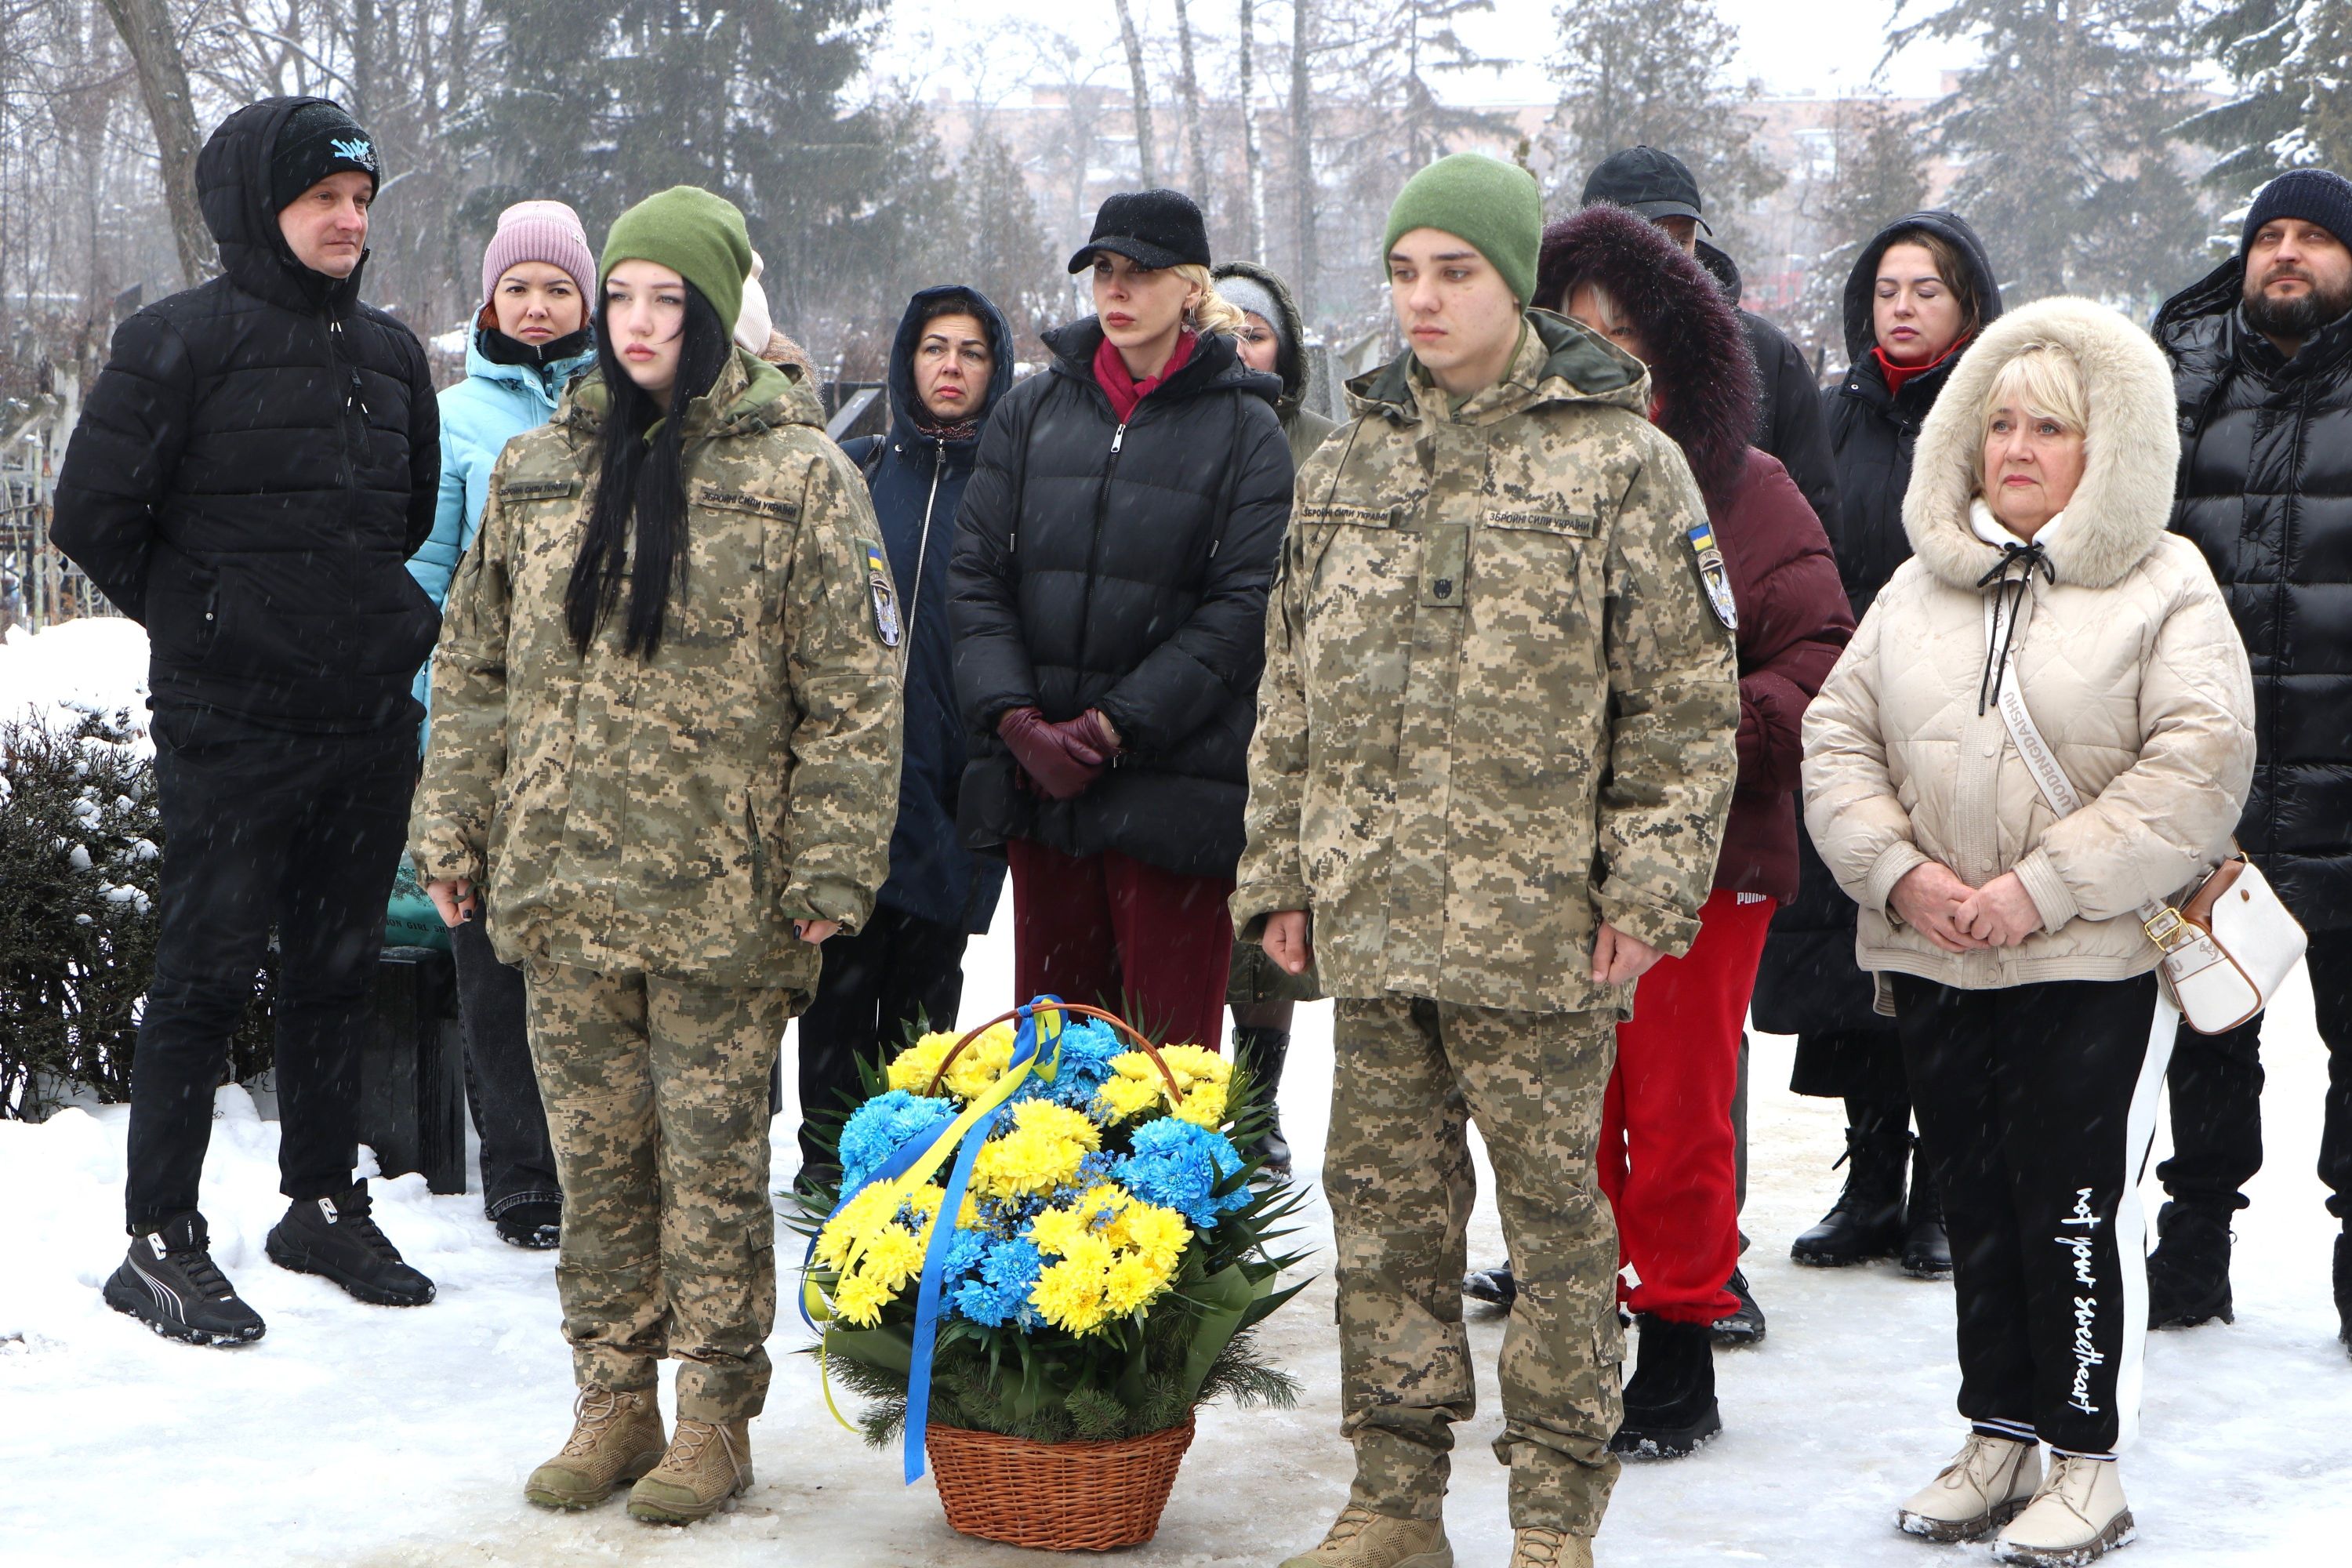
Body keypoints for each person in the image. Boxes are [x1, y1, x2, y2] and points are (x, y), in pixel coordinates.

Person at [1243, 152, 1739, 1568]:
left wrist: (1648, 892)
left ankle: (1554, 1516)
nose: (1424, 299)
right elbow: (1290, 691)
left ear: (1515, 282)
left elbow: (1685, 707)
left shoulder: (1623, 463)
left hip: (1542, 932)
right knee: (1386, 1220)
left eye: (1455, 272)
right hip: (1377, 916)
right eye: (1405, 272)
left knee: (1559, 1233)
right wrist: (1280, 873)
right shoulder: (1346, 466)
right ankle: (1395, 1500)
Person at [410, 187, 902, 1523]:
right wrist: (452, 825)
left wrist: (829, 864)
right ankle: (613, 1400)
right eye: (619, 296)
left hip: (719, 896)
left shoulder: (799, 477)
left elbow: (854, 693)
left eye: (665, 301)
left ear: (717, 312)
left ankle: (715, 1417)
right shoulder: (538, 468)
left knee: (712, 1168)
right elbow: (477, 666)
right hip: (564, 883)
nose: (634, 324)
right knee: (598, 1168)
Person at [1803, 297, 2256, 1565]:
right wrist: (1901, 874)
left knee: (2072, 1210)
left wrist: (2039, 888)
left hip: (2090, 958)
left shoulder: (2167, 583)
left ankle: (2088, 1460)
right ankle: (1999, 1434)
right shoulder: (1918, 587)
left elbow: (2198, 766)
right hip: (1938, 953)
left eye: (2049, 428)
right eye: (1999, 422)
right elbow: (1837, 738)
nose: (2016, 448)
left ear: (2105, 448)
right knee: (1977, 1201)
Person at [1450, 205, 1851, 1453]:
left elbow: (1820, 652)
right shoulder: (1505, 476)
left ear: (1676, 344)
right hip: (1544, 859)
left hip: (1706, 855)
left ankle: (1679, 1346)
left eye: (1625, 331)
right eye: (1573, 327)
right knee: (1568, 1113)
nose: (1600, 352)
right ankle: (1582, 1336)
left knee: (1676, 1110)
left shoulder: (1745, 487)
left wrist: (1702, 734)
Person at [53, 96, 442, 1345]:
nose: (349, 220)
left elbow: (403, 517)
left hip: (363, 720)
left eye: (361, 200)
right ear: (258, 208)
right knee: (205, 977)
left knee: (337, 971)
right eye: (324, 198)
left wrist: (362, 630)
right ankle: (159, 1239)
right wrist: (214, 623)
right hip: (231, 724)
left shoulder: (390, 356)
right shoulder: (176, 342)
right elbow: (91, 515)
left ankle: (320, 1202)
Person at [949, 189, 1292, 1055]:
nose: (1117, 288)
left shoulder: (1248, 430)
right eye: (1104, 269)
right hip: (1044, 790)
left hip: (1176, 797)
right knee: (1053, 1067)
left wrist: (1109, 728)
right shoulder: (1030, 412)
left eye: (1141, 271)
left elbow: (1243, 610)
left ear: (1192, 288)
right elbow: (976, 576)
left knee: (1165, 1070)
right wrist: (1018, 723)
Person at [1754, 209, 2004, 1279]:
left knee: (1944, 963)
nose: (1902, 309)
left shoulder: (1997, 413)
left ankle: (1943, 1193)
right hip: (1848, 716)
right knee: (1853, 970)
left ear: (1968, 303)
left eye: (1926, 291)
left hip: (1960, 719)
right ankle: (1868, 1185)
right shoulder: (1830, 414)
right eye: (1888, 291)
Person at [2150, 168, 2352, 1348]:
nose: (2286, 252)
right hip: (2210, 789)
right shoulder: (2186, 389)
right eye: (2268, 234)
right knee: (2207, 1033)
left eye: (2314, 236)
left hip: (2348, 782)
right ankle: (2191, 1256)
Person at [407, 198, 601, 1251]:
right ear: (489, 300)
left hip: (606, 735)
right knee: (490, 957)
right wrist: (429, 711)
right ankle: (522, 1172)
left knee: (594, 959)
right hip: (489, 723)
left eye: (558, 288)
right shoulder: (454, 418)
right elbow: (427, 571)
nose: (536, 306)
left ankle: (599, 1166)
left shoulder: (624, 407)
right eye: (517, 287)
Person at [792, 285, 1016, 1185]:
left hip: (949, 789)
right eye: (934, 347)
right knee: (836, 988)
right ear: (905, 361)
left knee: (926, 1002)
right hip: (849, 789)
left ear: (996, 369)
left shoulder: (1011, 492)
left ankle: (911, 1167)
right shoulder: (857, 472)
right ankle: (825, 1161)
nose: (951, 366)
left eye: (971, 351)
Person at [1211, 257, 1332, 1176]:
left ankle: (1256, 1103)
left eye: (1255, 333)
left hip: (1289, 712)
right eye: (1223, 332)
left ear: (1284, 347)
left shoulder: (1324, 449)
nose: (1240, 347)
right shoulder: (1177, 430)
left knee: (1273, 928)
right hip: (1192, 708)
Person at [1579, 144, 1841, 538]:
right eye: (1647, 241)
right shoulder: (1555, 348)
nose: (1667, 259)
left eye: (1681, 240)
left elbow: (1816, 527)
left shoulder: (1764, 355)